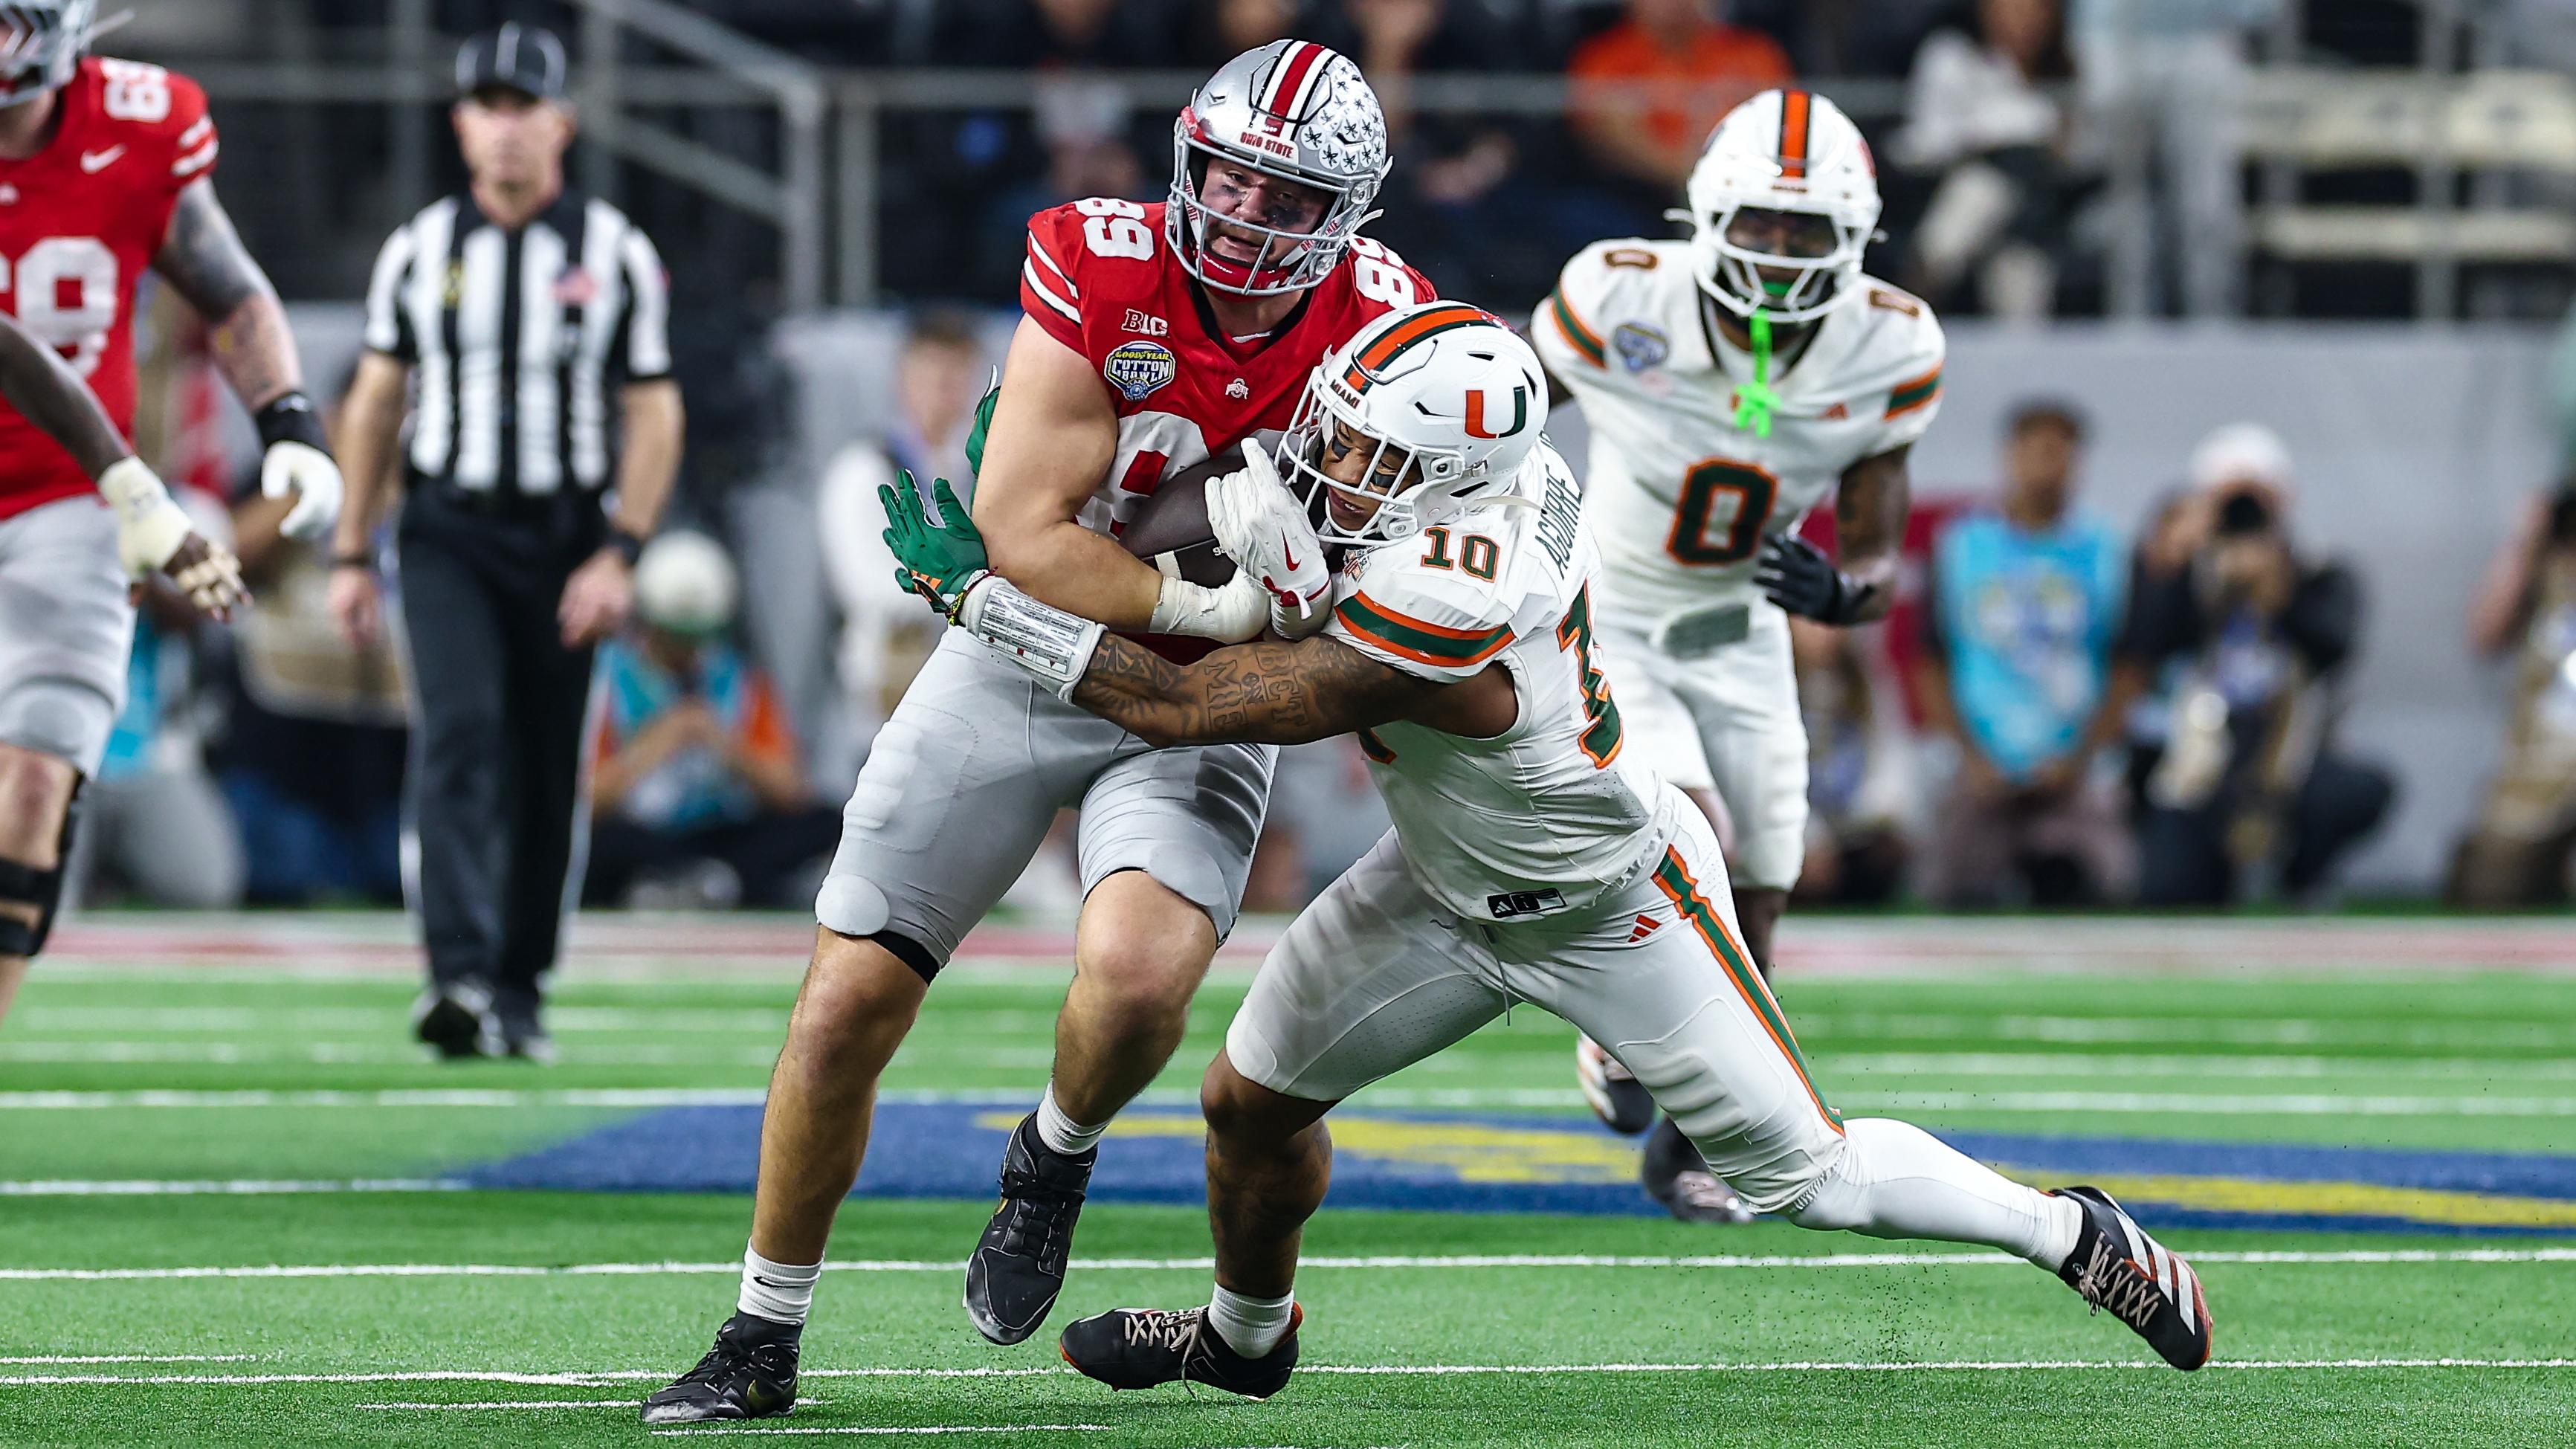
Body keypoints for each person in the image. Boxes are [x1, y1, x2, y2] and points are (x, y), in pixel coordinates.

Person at [882, 301, 2217, 1398]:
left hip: (1607, 899)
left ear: (1448, 481)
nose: (1334, 462)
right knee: (1248, 1105)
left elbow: (1191, 701)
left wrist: (990, 601)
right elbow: (1248, 544)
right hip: (1443, 882)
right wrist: (1060, 515)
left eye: (1367, 455)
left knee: (1812, 1173)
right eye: (1342, 433)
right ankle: (1246, 1336)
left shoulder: (1457, 580)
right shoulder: (1449, 480)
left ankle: (2069, 1228)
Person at [642, 42, 1430, 1426]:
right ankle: (762, 1328)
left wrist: (1286, 614)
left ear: (1350, 217)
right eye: (1232, 175)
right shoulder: (1096, 259)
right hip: (1028, 666)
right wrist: (1227, 593)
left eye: (1287, 196)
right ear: (1190, 156)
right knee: (842, 1004)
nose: (1246, 213)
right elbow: (1024, 537)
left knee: (1135, 986)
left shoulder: (1390, 329)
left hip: (1211, 704)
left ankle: (1051, 1158)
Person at [1533, 89, 1938, 1221]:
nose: (1777, 251)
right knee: (1690, 834)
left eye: (1804, 232)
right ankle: (1625, 1035)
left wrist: (1840, 591)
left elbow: (1873, 562)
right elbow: (1496, 410)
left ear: (1851, 241)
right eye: (1759, 223)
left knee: (1764, 880)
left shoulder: (1889, 344)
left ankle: (1683, 1133)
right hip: (1610, 609)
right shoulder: (1620, 293)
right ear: (1708, 213)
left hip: (1742, 621)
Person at [328, 26, 685, 1061]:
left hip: (567, 533)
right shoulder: (420, 248)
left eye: (526, 106)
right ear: (461, 124)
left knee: (541, 761)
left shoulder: (612, 251)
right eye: (488, 106)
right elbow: (376, 400)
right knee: (460, 733)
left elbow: (654, 409)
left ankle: (520, 984)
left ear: (562, 123)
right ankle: (458, 976)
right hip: (447, 527)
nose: (507, 128)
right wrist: (353, 550)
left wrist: (620, 548)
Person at [0, 3, 341, 1030]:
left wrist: (288, 419)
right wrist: (137, 489)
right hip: (100, 479)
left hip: (64, 496)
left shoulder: (139, 125)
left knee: (32, 780)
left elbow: (230, 288)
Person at [2113, 425, 2393, 906]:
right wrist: (2173, 571)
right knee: (2170, 892)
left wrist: (2280, 599)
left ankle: (2299, 877)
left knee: (2352, 790)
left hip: (2290, 756)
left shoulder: (2318, 569)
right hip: (2202, 758)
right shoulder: (2188, 572)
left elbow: (2335, 650)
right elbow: (2143, 648)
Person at [1915, 401, 2133, 905]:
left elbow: (2128, 667)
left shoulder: (2106, 549)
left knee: (2105, 884)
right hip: (1982, 761)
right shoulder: (1961, 546)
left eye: (2058, 453)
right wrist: (1970, 756)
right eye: (2034, 451)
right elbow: (1929, 661)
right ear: (2008, 456)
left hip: (2072, 762)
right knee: (1950, 889)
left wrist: (2079, 757)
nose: (2045, 465)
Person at [584, 532, 840, 911]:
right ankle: (680, 880)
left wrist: (724, 744)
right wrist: (655, 745)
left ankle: (707, 881)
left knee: (825, 821)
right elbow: (586, 801)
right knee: (597, 843)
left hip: (720, 830)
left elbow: (791, 792)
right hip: (642, 833)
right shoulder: (610, 681)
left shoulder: (736, 680)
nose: (686, 651)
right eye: (674, 637)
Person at [1893, 0, 2084, 319]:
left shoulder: (2066, 70)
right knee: (1984, 187)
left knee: (2009, 216)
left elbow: (2083, 151)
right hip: (1946, 181)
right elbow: (1928, 139)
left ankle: (1928, 279)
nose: (2022, 20)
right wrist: (1999, 139)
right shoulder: (1952, 54)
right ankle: (1927, 277)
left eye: (2035, 10)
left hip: (2042, 199)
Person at [2450, 483, 2576, 905]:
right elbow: (2485, 636)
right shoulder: (2549, 575)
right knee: (2488, 887)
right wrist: (2525, 542)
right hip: (2540, 773)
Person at [1566, 0, 1793, 203]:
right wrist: (1686, 171)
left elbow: (1779, 122)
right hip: (1634, 195)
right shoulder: (1606, 56)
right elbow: (1605, 135)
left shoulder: (1752, 52)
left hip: (1743, 190)